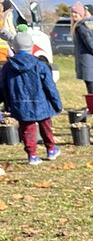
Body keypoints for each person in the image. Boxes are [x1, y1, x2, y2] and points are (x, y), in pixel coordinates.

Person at [0, 30, 62, 164]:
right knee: (46, 126)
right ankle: (51, 149)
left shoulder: (7, 67)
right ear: (32, 46)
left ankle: (32, 155)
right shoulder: (40, 65)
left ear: (13, 47)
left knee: (27, 129)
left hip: (19, 104)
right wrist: (56, 103)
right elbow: (50, 86)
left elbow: (2, 87)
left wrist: (5, 103)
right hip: (41, 102)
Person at [70, 1, 93, 96]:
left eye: (76, 12)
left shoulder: (81, 27)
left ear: (81, 14)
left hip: (88, 62)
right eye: (72, 12)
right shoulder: (79, 26)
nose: (73, 15)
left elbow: (90, 43)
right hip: (85, 62)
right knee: (91, 88)